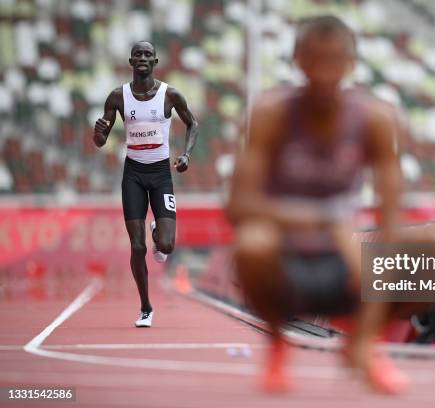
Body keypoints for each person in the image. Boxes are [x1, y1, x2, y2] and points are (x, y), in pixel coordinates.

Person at [227, 15, 415, 393]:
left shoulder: (376, 118)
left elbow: (392, 214)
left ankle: (363, 345)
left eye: (336, 60)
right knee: (251, 244)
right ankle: (279, 341)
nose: (326, 71)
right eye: (316, 60)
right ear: (298, 60)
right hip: (282, 243)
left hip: (343, 246)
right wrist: (322, 220)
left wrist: (376, 276)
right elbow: (238, 206)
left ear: (351, 63)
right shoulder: (271, 114)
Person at [93, 41, 198, 328]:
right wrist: (98, 134)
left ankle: (158, 230)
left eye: (147, 55)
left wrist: (186, 154)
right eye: (137, 54)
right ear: (130, 61)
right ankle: (145, 307)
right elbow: (101, 140)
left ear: (155, 61)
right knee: (137, 247)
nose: (142, 58)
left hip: (161, 175)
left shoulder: (169, 95)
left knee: (166, 245)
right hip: (134, 176)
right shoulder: (117, 97)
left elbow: (193, 124)